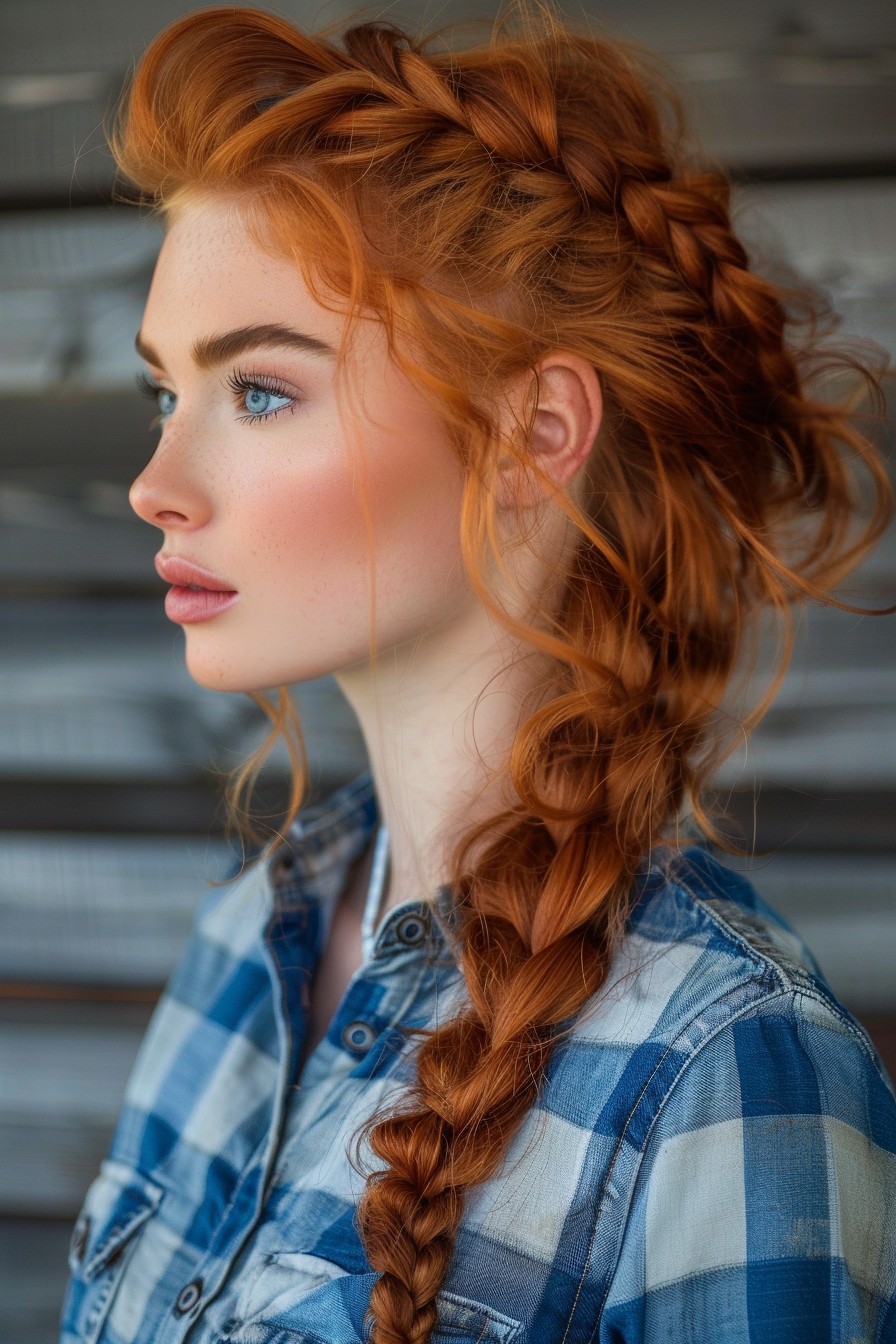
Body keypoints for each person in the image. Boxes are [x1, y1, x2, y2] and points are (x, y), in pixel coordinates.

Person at [59, 4, 896, 1342]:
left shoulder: (731, 1065)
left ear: (533, 436)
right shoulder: (247, 944)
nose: (157, 486)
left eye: (260, 391)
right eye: (169, 394)